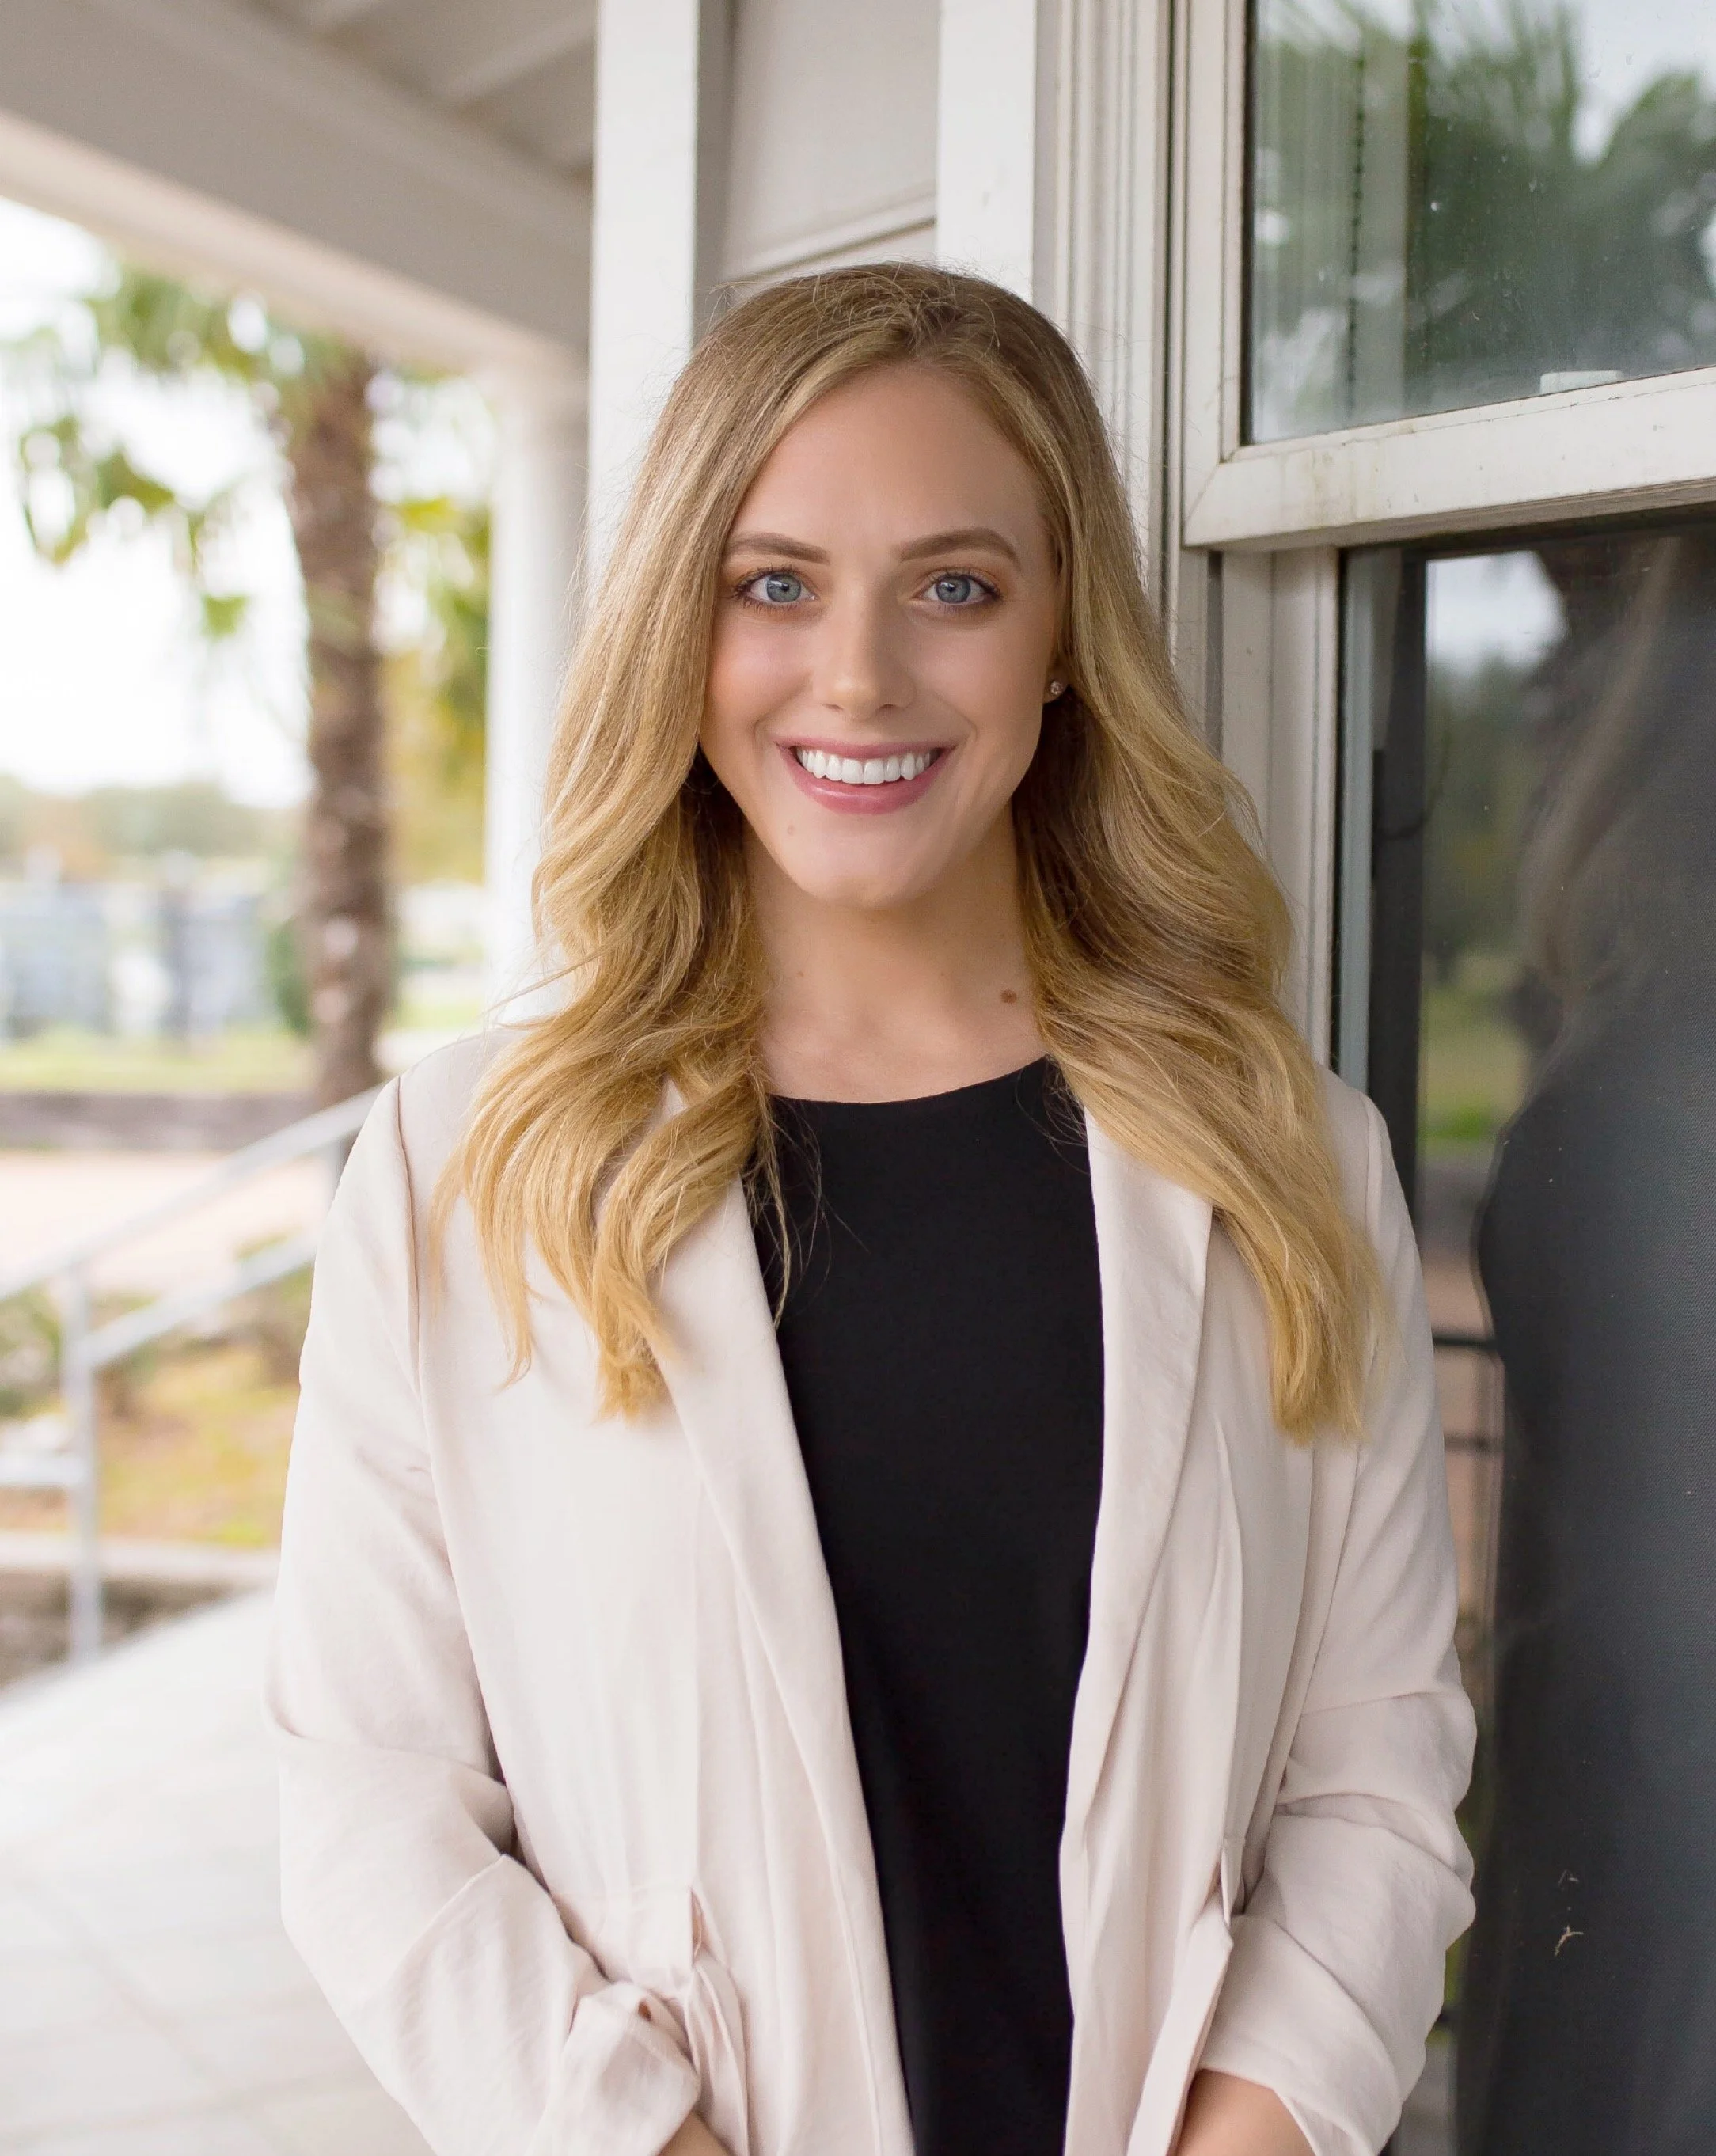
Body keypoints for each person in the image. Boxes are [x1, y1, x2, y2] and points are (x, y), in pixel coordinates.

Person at [266, 264, 1473, 2156]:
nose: (858, 677)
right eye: (773, 584)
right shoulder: (457, 1170)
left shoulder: (1289, 1160)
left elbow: (1379, 1769)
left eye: (955, 587)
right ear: (683, 624)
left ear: (1063, 634)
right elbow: (370, 1809)